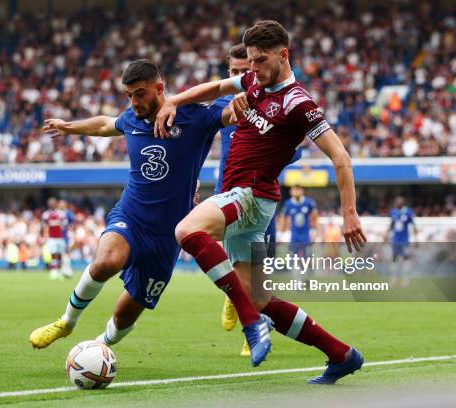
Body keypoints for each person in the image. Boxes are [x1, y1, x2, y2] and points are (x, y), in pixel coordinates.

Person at [155, 20, 366, 383]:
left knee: (186, 230)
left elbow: (341, 158)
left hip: (252, 195)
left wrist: (350, 214)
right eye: (249, 61)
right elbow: (219, 86)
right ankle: (342, 355)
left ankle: (251, 324)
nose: (252, 69)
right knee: (262, 298)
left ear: (283, 56)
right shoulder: (255, 80)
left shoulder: (298, 103)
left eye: (260, 61)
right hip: (243, 195)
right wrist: (174, 99)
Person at [30, 60, 272, 366]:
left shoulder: (194, 117)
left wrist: (242, 102)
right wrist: (69, 127)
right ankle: (67, 322)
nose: (134, 102)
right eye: (129, 95)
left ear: (159, 88)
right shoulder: (131, 118)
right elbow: (105, 124)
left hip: (169, 236)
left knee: (124, 315)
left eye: (140, 94)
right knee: (107, 261)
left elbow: (227, 114)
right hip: (131, 216)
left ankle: (99, 347)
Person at [217, 44, 303, 358]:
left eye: (245, 70)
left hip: (257, 194)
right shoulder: (224, 107)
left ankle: (251, 329)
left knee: (256, 272)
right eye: (235, 72)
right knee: (211, 248)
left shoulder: (270, 104)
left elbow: (295, 148)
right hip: (225, 187)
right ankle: (234, 297)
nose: (241, 76)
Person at [281, 184, 318, 257]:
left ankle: (309, 268)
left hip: (306, 234)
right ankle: (291, 268)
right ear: (291, 191)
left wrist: (315, 231)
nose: (296, 191)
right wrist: (281, 232)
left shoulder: (309, 202)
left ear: (302, 191)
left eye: (298, 189)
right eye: (294, 189)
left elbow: (315, 217)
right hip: (294, 235)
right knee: (291, 256)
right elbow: (283, 217)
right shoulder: (288, 204)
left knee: (307, 256)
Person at [388, 196, 417, 286]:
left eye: (399, 202)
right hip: (395, 239)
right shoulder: (393, 211)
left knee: (405, 259)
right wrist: (387, 233)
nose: (397, 204)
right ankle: (393, 279)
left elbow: (413, 224)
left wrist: (416, 238)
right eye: (396, 202)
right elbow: (392, 224)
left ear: (403, 203)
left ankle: (405, 280)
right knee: (394, 258)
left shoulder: (408, 212)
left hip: (404, 239)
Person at [42, 198, 68, 280]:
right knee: (53, 254)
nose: (52, 204)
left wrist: (59, 224)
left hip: (60, 237)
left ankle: (59, 271)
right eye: (50, 203)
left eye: (53, 203)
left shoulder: (60, 214)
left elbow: (65, 223)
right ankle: (53, 271)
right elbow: (44, 225)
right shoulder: (46, 214)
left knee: (59, 254)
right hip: (51, 238)